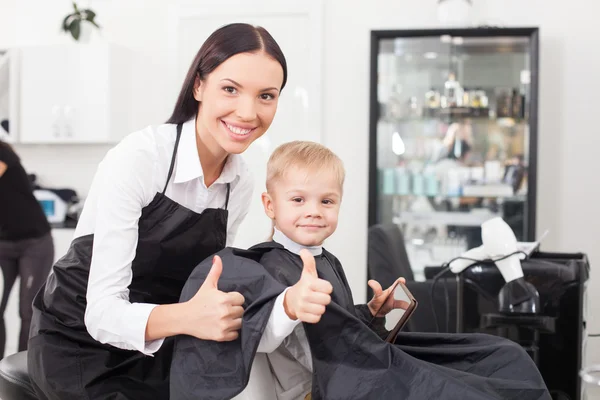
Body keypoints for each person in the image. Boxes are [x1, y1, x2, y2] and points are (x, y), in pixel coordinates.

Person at [27, 23, 289, 400]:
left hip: (161, 345)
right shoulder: (142, 158)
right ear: (199, 86)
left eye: (266, 96)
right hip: (78, 345)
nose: (248, 113)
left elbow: (203, 284)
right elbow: (100, 314)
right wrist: (189, 318)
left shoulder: (240, 183)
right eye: (230, 89)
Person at [171, 141, 551, 400]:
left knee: (501, 353)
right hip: (323, 387)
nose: (313, 210)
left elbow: (337, 330)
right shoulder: (266, 264)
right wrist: (289, 305)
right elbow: (260, 337)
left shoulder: (325, 259)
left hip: (356, 368)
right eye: (298, 199)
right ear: (270, 205)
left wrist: (371, 314)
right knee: (466, 389)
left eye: (327, 200)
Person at [0, 140, 54, 358]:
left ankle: (23, 372)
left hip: (34, 243)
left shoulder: (3, 152)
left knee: (28, 311)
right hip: (3, 244)